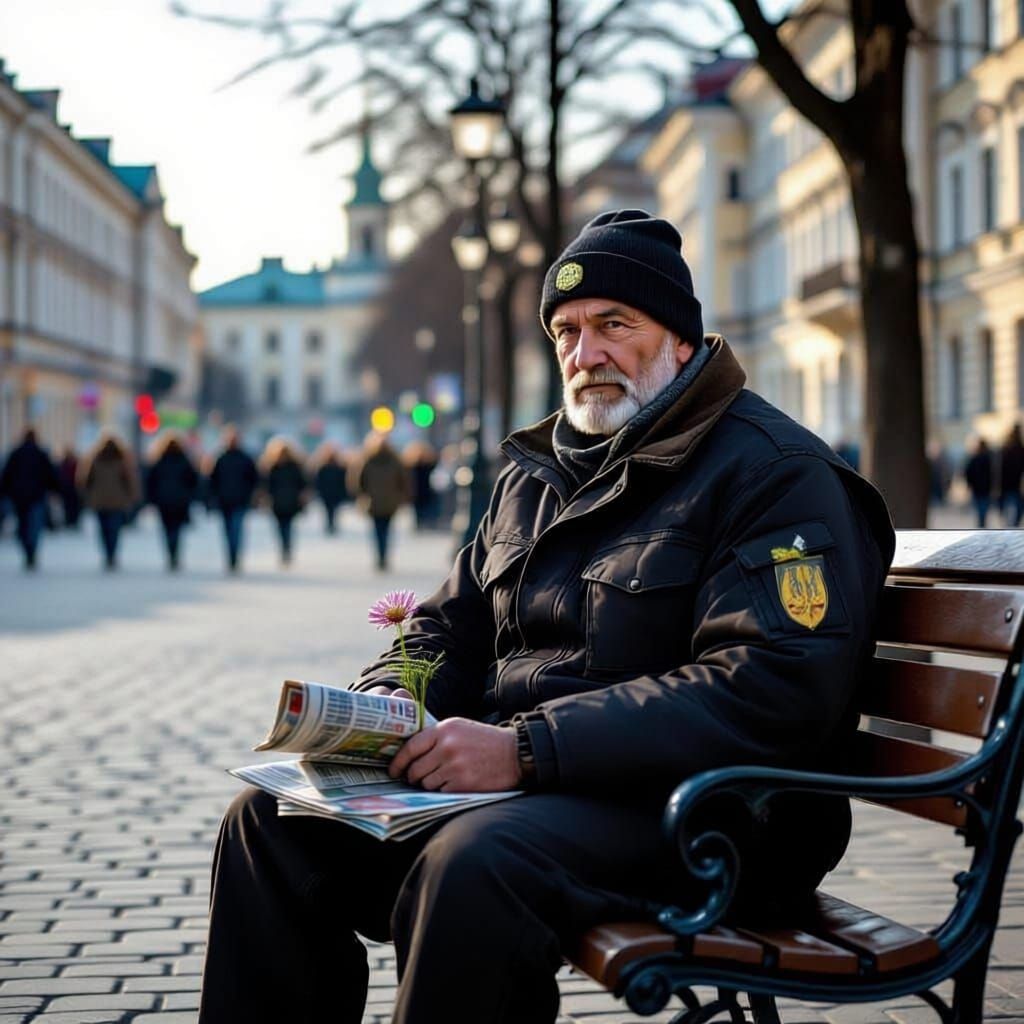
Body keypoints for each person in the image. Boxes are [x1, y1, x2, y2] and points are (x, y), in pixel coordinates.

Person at [199, 210, 895, 1024]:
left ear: (679, 339)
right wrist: (389, 707)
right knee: (269, 821)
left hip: (712, 814)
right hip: (547, 790)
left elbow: (772, 687)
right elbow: (447, 623)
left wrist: (527, 751)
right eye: (565, 330)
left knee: (473, 864)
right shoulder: (541, 471)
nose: (584, 353)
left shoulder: (774, 473)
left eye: (613, 324)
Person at [349, 432, 410, 571]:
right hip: (390, 502)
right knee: (387, 530)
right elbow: (404, 481)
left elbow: (358, 482)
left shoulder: (367, 460)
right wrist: (401, 496)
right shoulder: (395, 461)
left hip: (373, 502)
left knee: (377, 530)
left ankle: (380, 556)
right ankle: (384, 556)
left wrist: (362, 494)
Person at [78, 432, 140, 570]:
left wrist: (87, 494)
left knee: (103, 529)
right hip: (117, 501)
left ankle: (107, 554)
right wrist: (132, 496)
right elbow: (130, 480)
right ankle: (112, 554)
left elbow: (85, 480)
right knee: (114, 529)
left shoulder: (95, 459)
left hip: (100, 500)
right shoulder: (122, 460)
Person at [0, 427, 59, 570]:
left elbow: (6, 475)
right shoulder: (41, 453)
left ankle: (27, 549)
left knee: (23, 524)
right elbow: (50, 474)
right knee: (34, 525)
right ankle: (31, 549)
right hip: (37, 496)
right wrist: (55, 490)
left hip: (19, 496)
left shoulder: (15, 453)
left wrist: (5, 492)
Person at [208, 427, 259, 572]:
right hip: (224, 500)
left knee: (236, 528)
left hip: (240, 500)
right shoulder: (220, 458)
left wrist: (251, 495)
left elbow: (253, 479)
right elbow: (213, 480)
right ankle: (231, 555)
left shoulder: (245, 458)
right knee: (227, 530)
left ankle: (234, 556)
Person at [146, 433, 199, 571]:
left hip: (163, 501)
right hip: (180, 501)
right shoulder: (184, 461)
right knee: (177, 529)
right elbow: (193, 480)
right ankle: (175, 554)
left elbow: (151, 481)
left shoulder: (159, 461)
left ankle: (171, 554)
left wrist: (152, 499)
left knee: (167, 529)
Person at [260, 437, 308, 566]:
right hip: (277, 503)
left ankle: (286, 548)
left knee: (288, 527)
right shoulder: (272, 467)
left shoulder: (294, 467)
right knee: (280, 528)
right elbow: (266, 485)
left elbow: (302, 484)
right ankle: (284, 548)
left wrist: (302, 497)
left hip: (291, 502)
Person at [311, 443, 349, 535]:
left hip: (334, 493)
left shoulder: (339, 467)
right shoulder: (323, 467)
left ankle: (332, 525)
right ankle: (330, 525)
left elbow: (343, 481)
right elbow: (318, 481)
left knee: (334, 510)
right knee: (329, 510)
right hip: (327, 493)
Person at [403, 440, 440, 531]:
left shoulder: (425, 464)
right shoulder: (412, 466)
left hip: (422, 490)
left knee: (423, 508)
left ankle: (422, 523)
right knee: (419, 509)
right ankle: (420, 523)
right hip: (419, 491)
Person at [964, 438, 994, 529]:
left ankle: (981, 524)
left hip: (977, 488)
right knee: (983, 508)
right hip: (985, 488)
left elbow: (968, 472)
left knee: (980, 508)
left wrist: (969, 484)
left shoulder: (975, 458)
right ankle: (982, 524)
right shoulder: (989, 459)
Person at [999, 423, 1024, 528]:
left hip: (1008, 483)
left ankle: (1010, 524)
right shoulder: (1020, 449)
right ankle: (1012, 525)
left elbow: (1000, 468)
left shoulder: (1006, 449)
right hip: (1014, 483)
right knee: (1017, 507)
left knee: (1008, 506)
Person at [56, 447, 83, 529]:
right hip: (67, 488)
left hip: (73, 488)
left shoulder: (76, 463)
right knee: (68, 506)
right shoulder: (64, 464)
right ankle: (69, 521)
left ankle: (74, 521)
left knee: (74, 506)